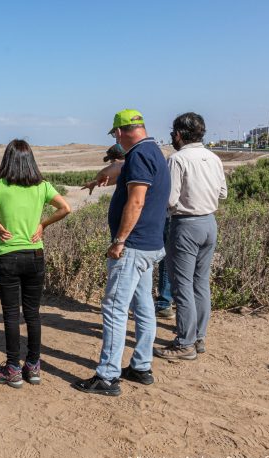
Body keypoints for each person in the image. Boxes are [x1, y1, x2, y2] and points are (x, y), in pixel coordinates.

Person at [73, 109, 170, 396]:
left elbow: (136, 201)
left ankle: (108, 376)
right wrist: (100, 177)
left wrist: (119, 240)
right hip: (150, 245)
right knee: (143, 307)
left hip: (133, 246)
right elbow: (121, 171)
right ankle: (141, 366)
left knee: (115, 308)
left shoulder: (139, 155)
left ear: (118, 132)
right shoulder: (152, 151)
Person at [0, 139, 71, 388]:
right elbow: (65, 208)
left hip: (8, 256)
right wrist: (42, 225)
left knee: (11, 314)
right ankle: (33, 367)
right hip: (35, 255)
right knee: (33, 313)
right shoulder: (42, 186)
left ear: (7, 159)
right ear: (31, 161)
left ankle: (13, 368)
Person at [154, 112, 227, 360]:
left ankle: (185, 344)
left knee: (182, 285)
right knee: (200, 283)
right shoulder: (213, 158)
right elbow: (223, 193)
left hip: (185, 224)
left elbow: (170, 199)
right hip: (209, 223)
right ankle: (199, 337)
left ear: (178, 134)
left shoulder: (177, 159)